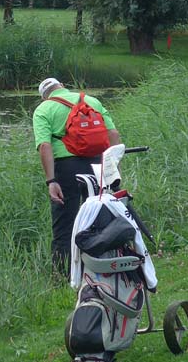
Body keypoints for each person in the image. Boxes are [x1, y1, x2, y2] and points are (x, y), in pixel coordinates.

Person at [32, 77, 121, 277]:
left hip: (66, 169)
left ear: (44, 96)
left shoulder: (44, 109)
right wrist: (112, 170)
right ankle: (104, 272)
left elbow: (45, 146)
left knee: (65, 226)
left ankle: (62, 278)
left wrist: (51, 181)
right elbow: (113, 134)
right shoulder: (91, 101)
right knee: (100, 220)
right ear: (61, 86)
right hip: (98, 165)